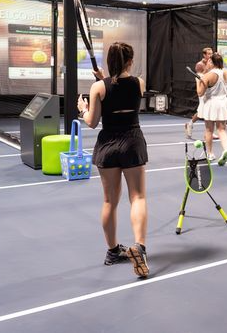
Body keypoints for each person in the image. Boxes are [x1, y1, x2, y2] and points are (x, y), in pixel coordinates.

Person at [77, 42, 149, 278]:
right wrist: (105, 80)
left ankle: (112, 251)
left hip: (108, 144)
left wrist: (83, 108)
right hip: (132, 141)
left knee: (109, 202)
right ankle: (139, 246)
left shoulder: (98, 87)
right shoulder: (139, 83)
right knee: (137, 197)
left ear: (109, 61)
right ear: (129, 61)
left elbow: (91, 122)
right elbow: (120, 86)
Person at [199, 53, 227, 166]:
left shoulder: (208, 75)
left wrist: (201, 78)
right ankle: (225, 150)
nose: (207, 62)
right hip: (223, 102)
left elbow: (200, 93)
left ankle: (210, 153)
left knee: (209, 130)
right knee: (222, 130)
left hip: (211, 103)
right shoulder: (226, 72)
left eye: (209, 61)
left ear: (211, 62)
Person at [185, 47, 214, 139]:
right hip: (202, 90)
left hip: (210, 89)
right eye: (209, 54)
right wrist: (208, 68)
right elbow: (200, 78)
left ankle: (209, 132)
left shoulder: (212, 63)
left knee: (208, 111)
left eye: (211, 53)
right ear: (204, 55)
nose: (210, 55)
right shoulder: (199, 65)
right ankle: (190, 124)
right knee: (202, 111)